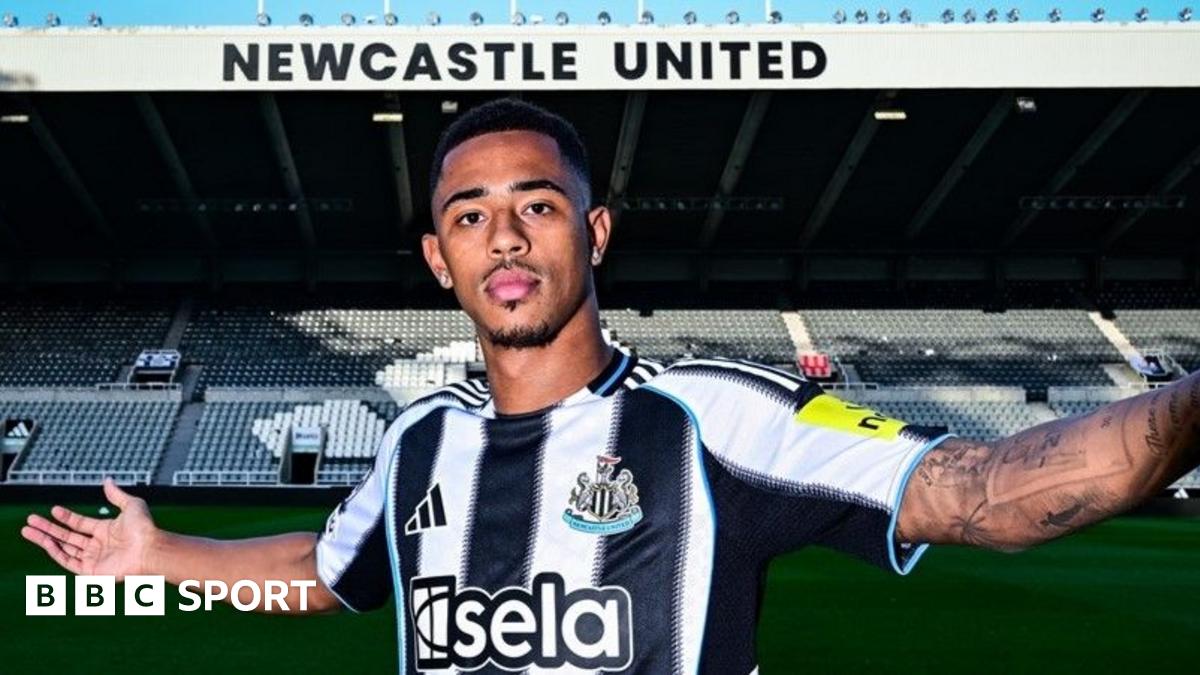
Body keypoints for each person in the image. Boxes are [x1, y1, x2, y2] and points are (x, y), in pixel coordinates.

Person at [22, 98, 1200, 674]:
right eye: (468, 217)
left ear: (591, 231)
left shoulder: (719, 415)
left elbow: (985, 490)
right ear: (439, 261)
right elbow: (331, 572)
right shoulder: (420, 440)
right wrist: (163, 557)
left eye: (535, 205)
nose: (505, 237)